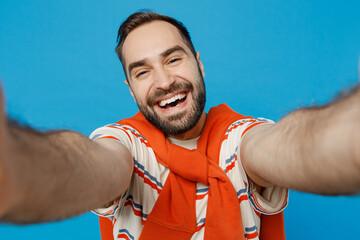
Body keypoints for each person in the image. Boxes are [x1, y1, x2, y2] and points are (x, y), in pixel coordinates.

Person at [0, 10, 359, 240]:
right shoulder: (125, 144)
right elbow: (86, 165)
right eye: (142, 71)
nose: (164, 81)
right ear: (131, 89)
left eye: (173, 58)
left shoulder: (239, 139)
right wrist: (13, 164)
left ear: (199, 64)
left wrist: (349, 132)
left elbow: (291, 147)